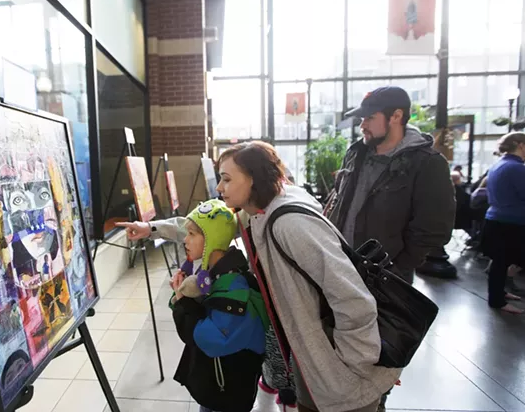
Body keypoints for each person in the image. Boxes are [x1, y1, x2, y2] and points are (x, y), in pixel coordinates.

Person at [119, 141, 400, 412]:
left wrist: (357, 365)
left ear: (253, 179)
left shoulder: (290, 224)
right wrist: (151, 228)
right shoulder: (257, 213)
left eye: (227, 179)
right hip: (313, 364)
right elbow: (204, 227)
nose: (219, 187)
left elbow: (352, 298)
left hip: (341, 373)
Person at [326, 86, 456, 284]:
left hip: (384, 279)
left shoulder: (427, 163)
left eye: (369, 118)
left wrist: (395, 268)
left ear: (396, 116)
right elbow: (339, 201)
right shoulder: (355, 153)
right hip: (341, 267)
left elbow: (434, 229)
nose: (362, 126)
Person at [169, 200, 268, 412]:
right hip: (216, 385)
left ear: (212, 239)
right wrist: (182, 296)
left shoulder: (234, 287)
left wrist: (181, 301)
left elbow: (209, 339)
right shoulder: (215, 276)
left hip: (226, 396)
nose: (185, 240)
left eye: (192, 234)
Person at [481, 132, 525, 314]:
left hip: (497, 219)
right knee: (502, 262)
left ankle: (499, 294)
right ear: (520, 145)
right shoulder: (516, 168)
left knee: (501, 261)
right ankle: (497, 300)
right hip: (510, 222)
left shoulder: (499, 165)